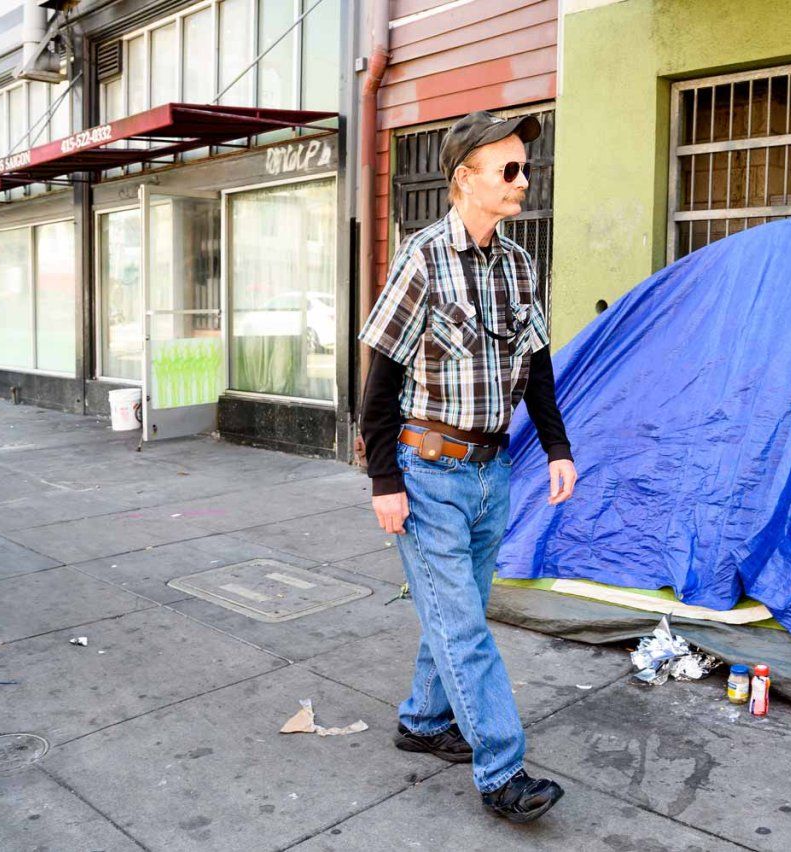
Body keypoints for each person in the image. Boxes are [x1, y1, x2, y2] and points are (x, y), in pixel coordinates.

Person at [356, 110, 577, 823]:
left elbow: (537, 366)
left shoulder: (517, 262)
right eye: (508, 169)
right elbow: (379, 380)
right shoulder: (422, 259)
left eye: (524, 167)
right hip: (426, 474)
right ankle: (502, 773)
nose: (523, 179)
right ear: (465, 180)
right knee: (464, 627)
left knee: (458, 614)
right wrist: (383, 483)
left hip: (493, 473)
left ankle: (423, 721)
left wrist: (558, 448)